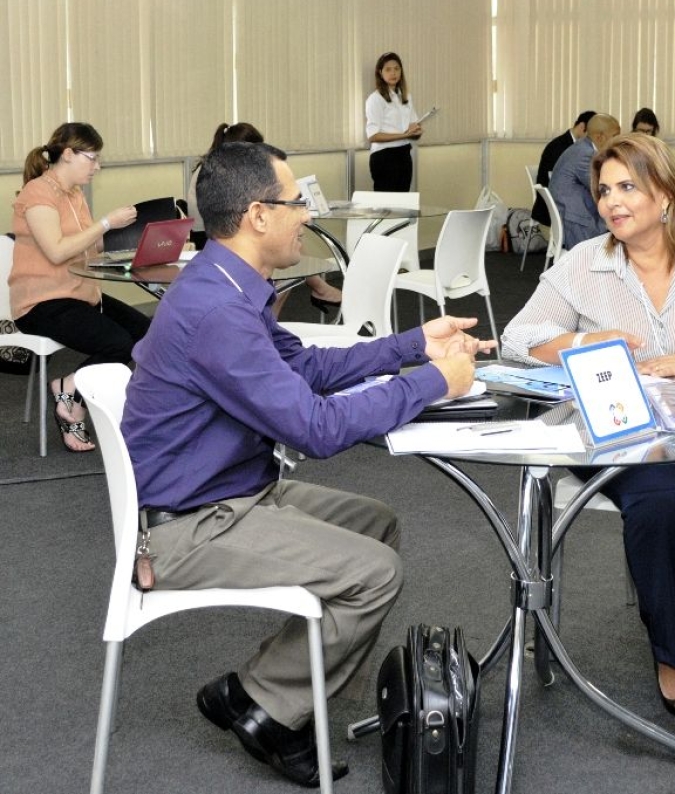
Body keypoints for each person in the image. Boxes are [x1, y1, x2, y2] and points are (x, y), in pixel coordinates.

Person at [122, 140, 494, 787]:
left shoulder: (227, 283)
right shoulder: (216, 309)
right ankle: (267, 709)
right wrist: (435, 383)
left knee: (375, 524)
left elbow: (308, 369)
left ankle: (254, 692)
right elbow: (316, 429)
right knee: (376, 574)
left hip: (228, 495)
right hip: (185, 528)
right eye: (297, 202)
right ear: (259, 215)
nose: (306, 215)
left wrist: (412, 345)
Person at [503, 133, 675, 724]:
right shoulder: (585, 263)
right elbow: (518, 338)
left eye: (628, 186)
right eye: (604, 190)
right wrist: (583, 341)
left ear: (665, 194)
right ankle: (670, 654)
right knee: (661, 504)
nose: (611, 202)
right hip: (626, 435)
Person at [9, 123, 149, 453]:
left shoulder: (74, 194)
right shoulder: (37, 193)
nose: (97, 167)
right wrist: (105, 223)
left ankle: (69, 388)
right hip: (41, 302)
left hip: (78, 294)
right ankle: (70, 396)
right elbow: (57, 250)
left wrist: (130, 236)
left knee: (146, 335)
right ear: (69, 154)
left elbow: (90, 248)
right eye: (93, 158)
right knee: (118, 343)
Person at [189, 122, 342, 310]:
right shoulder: (223, 176)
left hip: (223, 237)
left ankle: (282, 312)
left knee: (289, 241)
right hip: (217, 237)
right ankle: (316, 289)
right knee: (284, 247)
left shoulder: (215, 169)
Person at [549, 113, 622, 250]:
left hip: (573, 215)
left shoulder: (582, 148)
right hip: (576, 221)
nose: (619, 140)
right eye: (615, 136)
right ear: (600, 137)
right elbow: (601, 188)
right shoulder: (585, 154)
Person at [365, 52, 422, 192]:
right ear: (380, 73)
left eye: (397, 69)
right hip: (384, 157)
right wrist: (404, 135)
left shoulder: (406, 96)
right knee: (386, 207)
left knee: (403, 204)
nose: (393, 73)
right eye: (388, 69)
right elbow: (373, 135)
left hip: (404, 154)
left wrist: (416, 131)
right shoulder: (375, 98)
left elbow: (413, 128)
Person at [533, 110, 596, 226]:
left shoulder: (573, 146)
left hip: (562, 204)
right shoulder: (560, 147)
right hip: (553, 211)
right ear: (582, 127)